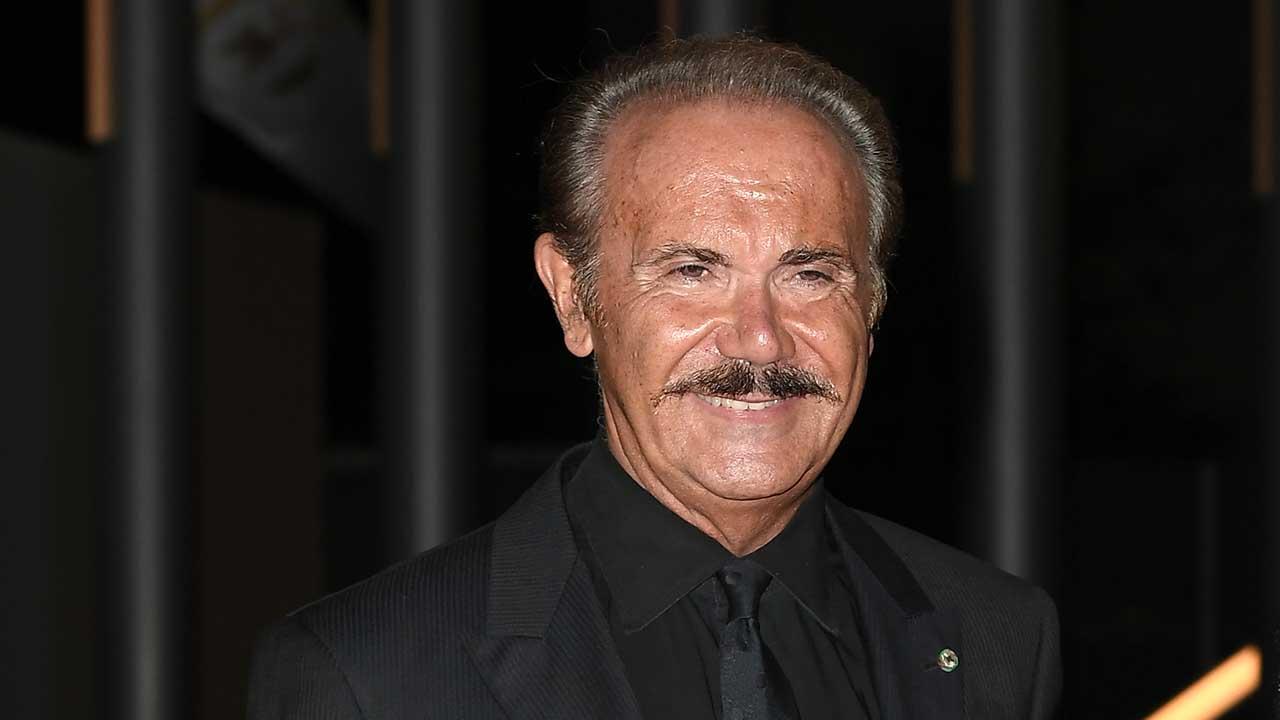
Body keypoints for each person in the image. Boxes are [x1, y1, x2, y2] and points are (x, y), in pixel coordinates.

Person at [247, 36, 1060, 719]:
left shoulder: (997, 639)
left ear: (872, 306)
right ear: (574, 298)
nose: (760, 339)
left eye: (810, 274)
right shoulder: (366, 675)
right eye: (692, 271)